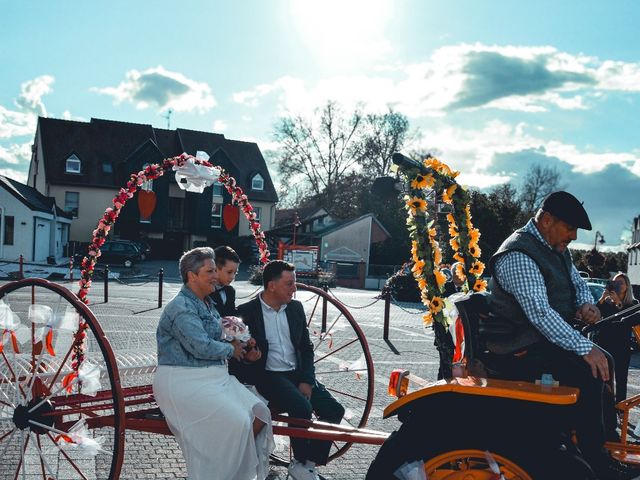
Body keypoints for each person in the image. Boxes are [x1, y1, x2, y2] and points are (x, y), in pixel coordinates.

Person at [483, 191, 635, 479]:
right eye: (570, 228)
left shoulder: (555, 248)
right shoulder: (518, 254)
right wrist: (583, 348)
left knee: (606, 361)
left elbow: (576, 281)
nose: (573, 236)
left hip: (540, 342)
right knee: (589, 368)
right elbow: (540, 313)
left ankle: (601, 442)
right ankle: (594, 459)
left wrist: (584, 304)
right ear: (548, 220)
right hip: (519, 349)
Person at [153, 247, 274, 480]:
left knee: (259, 413)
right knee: (238, 423)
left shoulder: (207, 303)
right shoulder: (181, 307)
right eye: (210, 271)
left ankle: (229, 472)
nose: (216, 277)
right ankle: (213, 472)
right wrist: (231, 349)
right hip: (183, 380)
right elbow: (200, 346)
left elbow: (222, 333)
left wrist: (244, 342)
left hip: (213, 378)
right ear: (192, 275)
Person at [233, 260, 345, 480]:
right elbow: (240, 354)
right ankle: (302, 462)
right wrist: (248, 357)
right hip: (269, 376)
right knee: (301, 407)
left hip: (296, 374)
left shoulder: (295, 308)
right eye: (290, 283)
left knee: (334, 410)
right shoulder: (246, 312)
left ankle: (306, 464)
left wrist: (307, 379)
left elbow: (306, 347)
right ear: (272, 285)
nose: (295, 288)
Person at [594, 272, 639, 403]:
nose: (618, 285)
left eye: (621, 283)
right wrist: (602, 299)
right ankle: (607, 408)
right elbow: (595, 316)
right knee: (605, 378)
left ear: (627, 286)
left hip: (621, 346)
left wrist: (618, 302)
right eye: (615, 283)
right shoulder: (606, 302)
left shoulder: (633, 303)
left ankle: (620, 409)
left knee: (621, 379)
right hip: (604, 344)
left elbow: (627, 319)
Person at [209, 245, 241, 317]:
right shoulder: (205, 290)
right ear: (215, 269)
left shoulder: (230, 291)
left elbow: (232, 315)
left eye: (235, 273)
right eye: (229, 272)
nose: (233, 277)